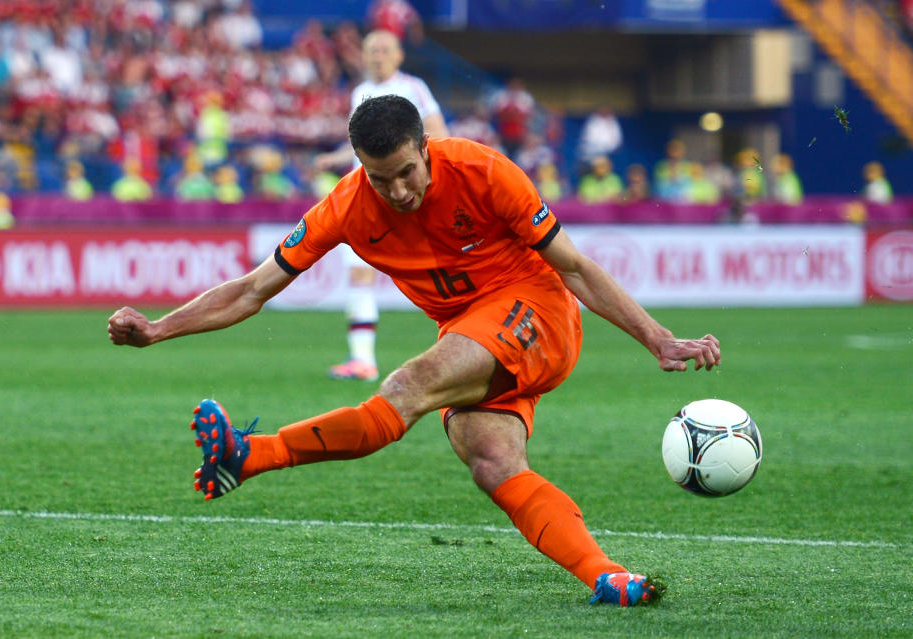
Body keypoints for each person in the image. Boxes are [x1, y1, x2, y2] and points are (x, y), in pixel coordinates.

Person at [108, 96, 721, 607]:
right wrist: (160, 329)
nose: (397, 190)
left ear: (426, 148)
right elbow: (250, 290)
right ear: (359, 167)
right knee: (493, 464)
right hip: (472, 335)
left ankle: (250, 455)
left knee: (405, 387)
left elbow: (578, 270)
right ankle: (607, 577)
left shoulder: (484, 172)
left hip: (538, 312)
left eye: (407, 171)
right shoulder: (346, 207)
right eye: (380, 177)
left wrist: (657, 338)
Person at [315, 29, 449, 382]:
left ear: (399, 55)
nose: (377, 56)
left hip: (405, 194)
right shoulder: (361, 92)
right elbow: (363, 147)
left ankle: (462, 344)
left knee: (435, 273)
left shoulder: (414, 88)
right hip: (367, 195)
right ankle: (362, 360)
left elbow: (440, 135)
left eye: (385, 50)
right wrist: (333, 158)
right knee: (359, 273)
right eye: (372, 50)